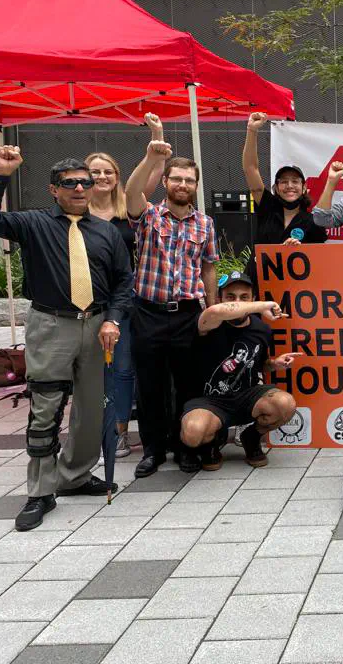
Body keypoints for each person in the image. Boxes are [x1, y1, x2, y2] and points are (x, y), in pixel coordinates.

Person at [0, 147, 132, 531]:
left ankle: (74, 475)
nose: (79, 188)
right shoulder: (32, 223)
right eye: (70, 183)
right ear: (54, 189)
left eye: (85, 182)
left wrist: (113, 320)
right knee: (45, 409)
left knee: (92, 410)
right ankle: (40, 491)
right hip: (50, 324)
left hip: (97, 327)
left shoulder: (106, 231)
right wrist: (1, 174)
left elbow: (123, 282)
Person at [126, 141, 219, 478]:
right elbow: (131, 191)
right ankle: (153, 450)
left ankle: (186, 448)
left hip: (188, 314)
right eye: (176, 179)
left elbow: (208, 267)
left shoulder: (205, 224)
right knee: (149, 386)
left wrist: (211, 310)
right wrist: (150, 156)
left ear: (196, 185)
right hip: (148, 311)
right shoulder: (148, 215)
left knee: (188, 384)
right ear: (165, 181)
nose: (183, 185)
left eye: (189, 180)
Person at [85, 114, 166, 459]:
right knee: (89, 368)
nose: (102, 177)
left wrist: (157, 135)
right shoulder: (75, 212)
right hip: (84, 303)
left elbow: (155, 173)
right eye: (95, 172)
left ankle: (119, 432)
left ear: (117, 177)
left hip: (124, 300)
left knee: (121, 367)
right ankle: (89, 428)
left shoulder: (128, 208)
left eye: (108, 172)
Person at [180, 271, 300, 468]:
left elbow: (258, 364)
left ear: (252, 298)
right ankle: (211, 443)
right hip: (209, 400)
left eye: (245, 297)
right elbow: (216, 312)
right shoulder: (209, 322)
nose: (238, 302)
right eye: (231, 297)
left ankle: (251, 437)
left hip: (247, 397)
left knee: (285, 404)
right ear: (220, 299)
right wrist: (263, 305)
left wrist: (275, 363)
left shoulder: (262, 329)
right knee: (193, 433)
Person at [242, 112, 326, 254]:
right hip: (258, 275)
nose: (289, 186)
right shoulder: (268, 207)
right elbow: (250, 168)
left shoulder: (312, 221)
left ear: (304, 188)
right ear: (276, 187)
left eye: (295, 181)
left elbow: (318, 258)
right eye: (284, 182)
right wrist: (252, 130)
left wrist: (298, 250)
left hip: (293, 276)